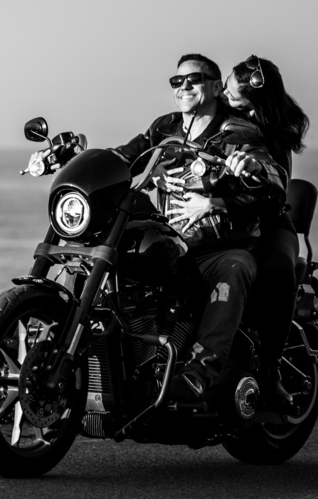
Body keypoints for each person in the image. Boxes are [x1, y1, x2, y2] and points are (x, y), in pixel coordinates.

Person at [110, 53, 285, 404]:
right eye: (177, 81)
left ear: (216, 86)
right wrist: (85, 160)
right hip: (173, 243)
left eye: (194, 79)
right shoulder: (165, 128)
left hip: (220, 248)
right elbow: (126, 155)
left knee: (235, 268)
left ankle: (197, 374)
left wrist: (250, 169)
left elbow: (272, 180)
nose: (184, 86)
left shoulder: (237, 131)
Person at [221, 55, 310, 409]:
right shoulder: (228, 120)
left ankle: (271, 372)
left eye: (231, 84)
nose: (225, 88)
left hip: (273, 222)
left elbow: (276, 184)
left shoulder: (275, 132)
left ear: (251, 96)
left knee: (276, 271)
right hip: (233, 218)